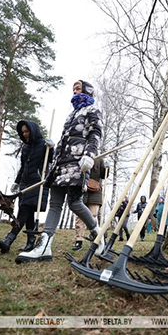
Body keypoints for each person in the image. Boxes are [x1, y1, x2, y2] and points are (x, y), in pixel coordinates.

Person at [15, 80, 105, 263]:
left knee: (75, 203)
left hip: (78, 162)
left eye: (78, 88)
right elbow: (67, 139)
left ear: (87, 91)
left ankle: (98, 234)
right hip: (61, 163)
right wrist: (55, 150)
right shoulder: (71, 114)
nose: (74, 91)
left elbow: (96, 133)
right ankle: (44, 246)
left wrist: (89, 154)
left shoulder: (92, 111)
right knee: (54, 204)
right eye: (73, 89)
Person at [0, 120, 53, 254]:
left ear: (33, 130)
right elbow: (23, 166)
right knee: (28, 213)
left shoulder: (43, 144)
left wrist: (51, 148)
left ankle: (9, 240)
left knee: (24, 210)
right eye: (23, 132)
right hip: (25, 183)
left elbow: (50, 160)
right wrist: (17, 181)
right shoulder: (25, 147)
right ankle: (30, 242)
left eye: (27, 131)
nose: (25, 134)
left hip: (38, 182)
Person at [72, 158, 107, 251]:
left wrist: (106, 168)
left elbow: (103, 175)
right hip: (82, 191)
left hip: (95, 192)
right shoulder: (82, 157)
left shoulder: (100, 159)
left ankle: (97, 240)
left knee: (93, 216)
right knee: (80, 217)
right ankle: (79, 240)